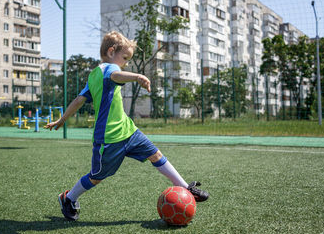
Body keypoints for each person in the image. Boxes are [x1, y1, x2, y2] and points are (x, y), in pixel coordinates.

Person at [45, 31, 209, 221]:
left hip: (129, 131)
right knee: (96, 177)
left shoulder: (95, 76)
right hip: (108, 138)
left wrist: (62, 119)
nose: (126, 63)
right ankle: (69, 197)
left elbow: (78, 100)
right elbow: (115, 76)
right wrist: (137, 76)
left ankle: (185, 187)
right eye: (124, 58)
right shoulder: (106, 70)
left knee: (155, 154)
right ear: (111, 51)